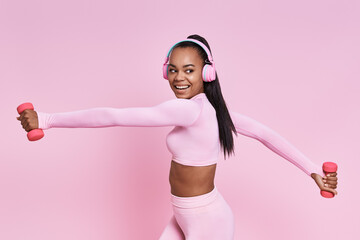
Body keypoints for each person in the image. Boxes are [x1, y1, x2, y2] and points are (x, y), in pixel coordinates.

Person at [17, 34, 338, 240]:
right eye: (173, 69)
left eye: (189, 70)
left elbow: (115, 116)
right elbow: (266, 135)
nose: (178, 77)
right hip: (184, 214)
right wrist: (312, 170)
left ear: (207, 73)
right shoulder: (215, 113)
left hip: (207, 220)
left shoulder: (192, 111)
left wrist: (48, 119)